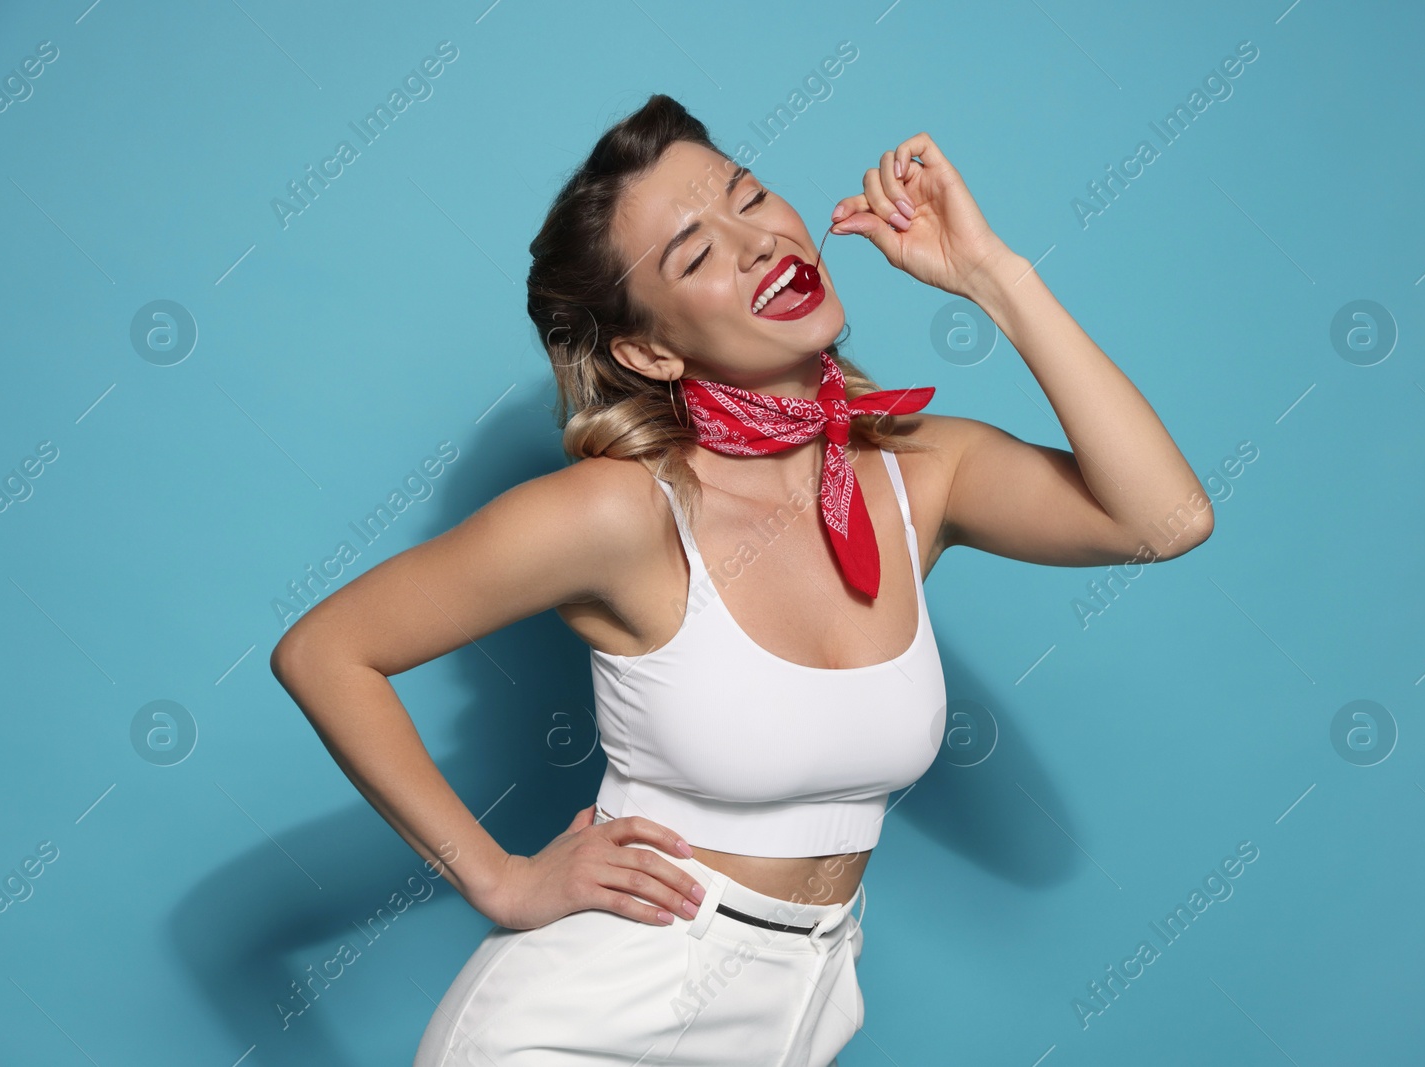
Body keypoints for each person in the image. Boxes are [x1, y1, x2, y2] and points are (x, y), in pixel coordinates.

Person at [270, 93, 1213, 1066]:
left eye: (750, 197)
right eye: (694, 253)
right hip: (583, 1029)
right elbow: (326, 651)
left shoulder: (918, 474)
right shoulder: (621, 513)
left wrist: (992, 275)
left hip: (800, 1011)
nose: (756, 242)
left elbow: (1166, 518)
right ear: (649, 348)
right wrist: (501, 880)